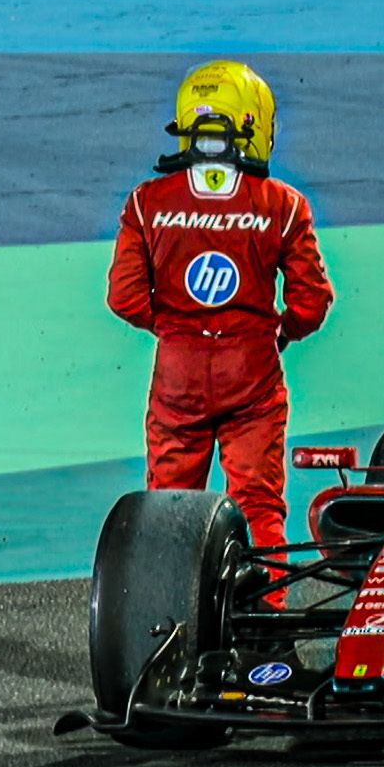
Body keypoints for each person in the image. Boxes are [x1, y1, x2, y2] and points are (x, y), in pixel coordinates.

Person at [106, 60, 333, 552]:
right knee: (259, 507)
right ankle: (268, 598)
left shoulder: (146, 202)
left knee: (167, 508)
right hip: (253, 371)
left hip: (177, 373)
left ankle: (163, 597)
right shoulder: (284, 205)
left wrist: (174, 330)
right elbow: (312, 302)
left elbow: (123, 297)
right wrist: (282, 332)